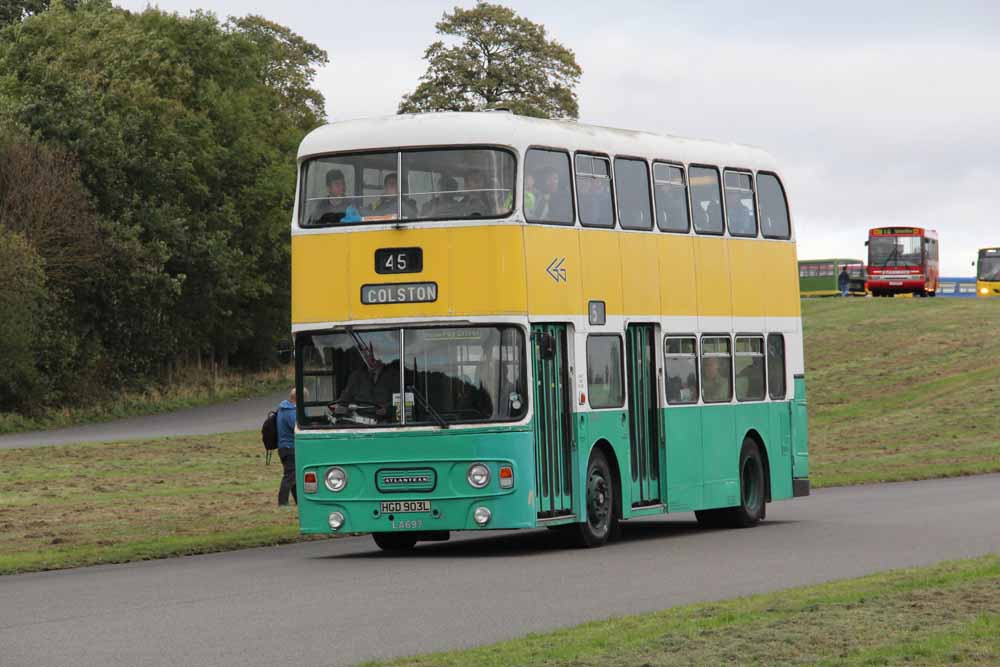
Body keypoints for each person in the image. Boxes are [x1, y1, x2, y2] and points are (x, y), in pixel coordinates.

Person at [332, 340, 400, 422]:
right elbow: (345, 398)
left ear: (381, 354)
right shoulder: (356, 376)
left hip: (385, 424)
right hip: (359, 423)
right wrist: (338, 407)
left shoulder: (394, 375)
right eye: (366, 354)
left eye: (373, 353)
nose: (370, 357)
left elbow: (401, 400)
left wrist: (387, 409)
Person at [276, 388, 298, 506]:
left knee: (293, 475)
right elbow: (297, 428)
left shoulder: (282, 409)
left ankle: (298, 501)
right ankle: (282, 502)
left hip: (283, 447)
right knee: (289, 475)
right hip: (290, 447)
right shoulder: (291, 411)